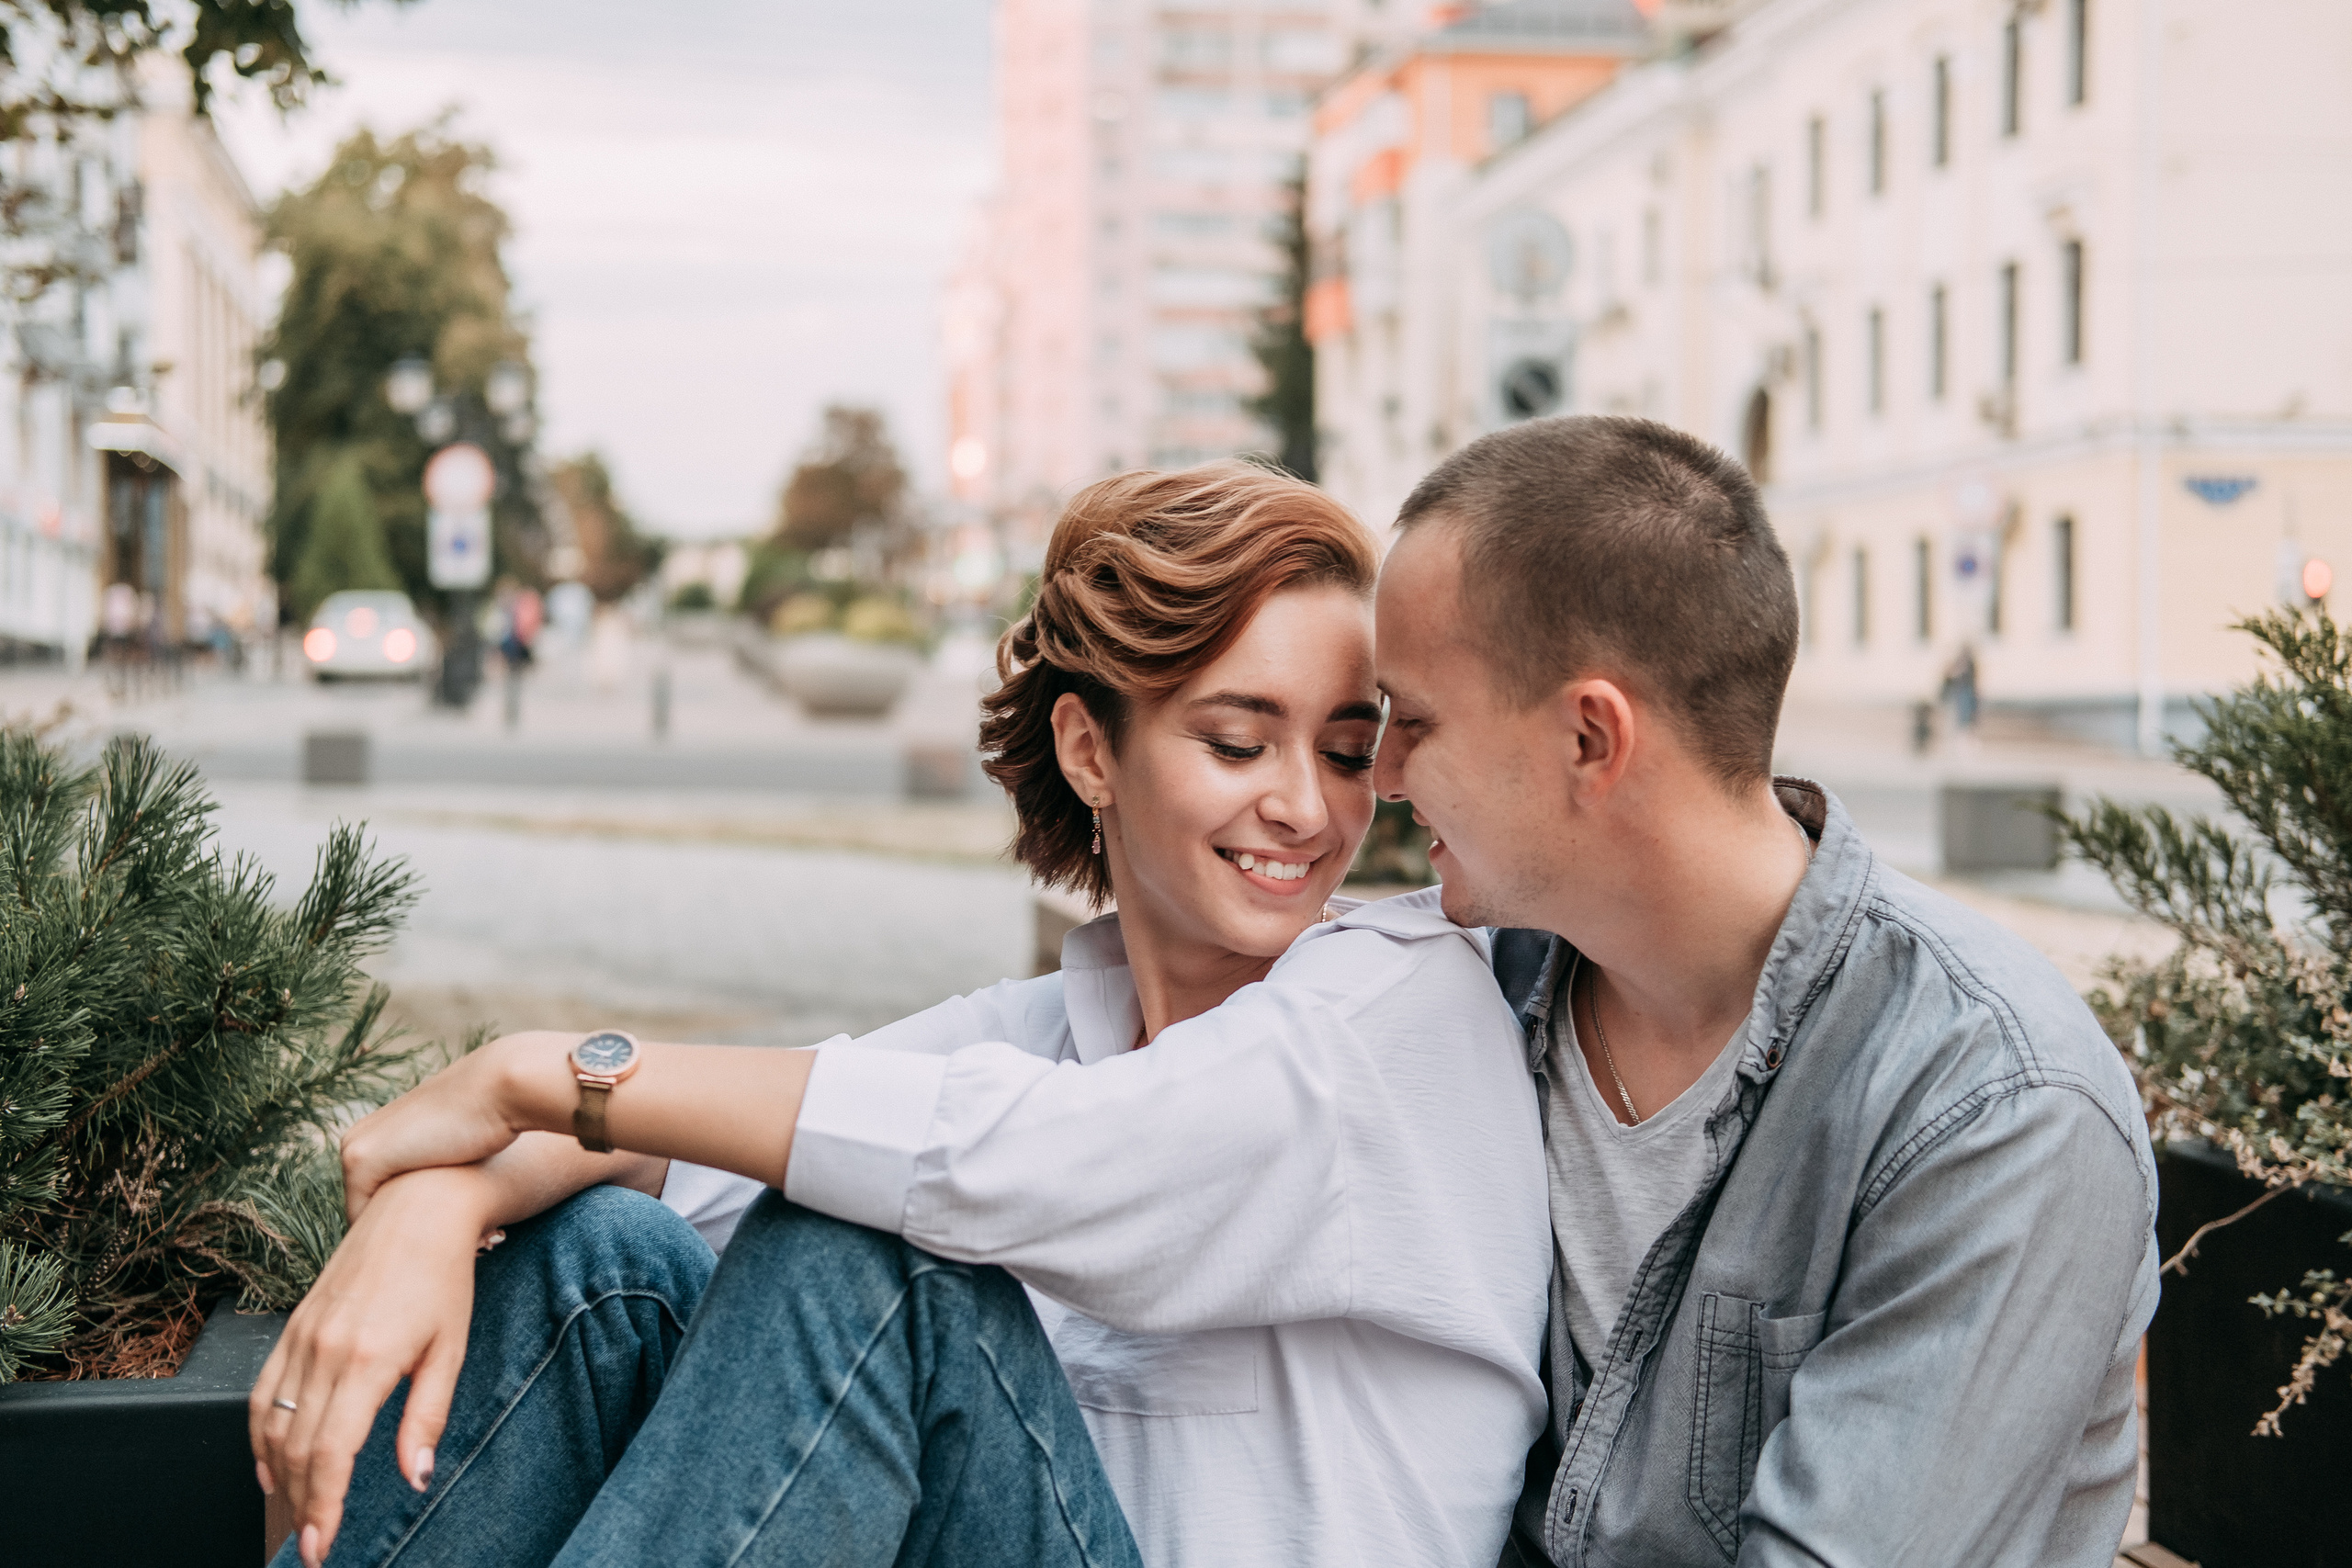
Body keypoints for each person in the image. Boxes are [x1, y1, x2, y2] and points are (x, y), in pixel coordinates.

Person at [253, 463, 1551, 1568]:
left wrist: (541, 1071)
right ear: (1093, 749)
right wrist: (442, 1200)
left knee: (877, 1253)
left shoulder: (1398, 1009)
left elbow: (987, 1162)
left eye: (1340, 747)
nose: (1308, 809)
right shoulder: (1043, 1034)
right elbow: (682, 1147)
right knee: (607, 1261)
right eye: (1235, 740)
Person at [1371, 415, 2159, 1567]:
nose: (1383, 776)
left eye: (1416, 721)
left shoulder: (1996, 1104)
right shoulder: (1475, 996)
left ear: (1592, 736)